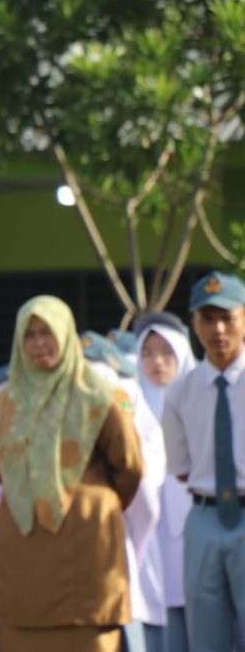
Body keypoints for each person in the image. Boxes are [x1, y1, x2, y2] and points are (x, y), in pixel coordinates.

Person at [0, 296, 143, 651]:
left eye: (48, 332)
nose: (39, 343)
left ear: (67, 334)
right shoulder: (4, 403)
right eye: (30, 335)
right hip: (19, 553)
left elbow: (129, 467)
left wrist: (86, 500)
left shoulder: (101, 397)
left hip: (86, 550)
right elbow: (0, 469)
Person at [160, 272, 245, 652]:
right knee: (207, 635)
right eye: (207, 319)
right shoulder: (181, 393)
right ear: (194, 324)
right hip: (205, 517)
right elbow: (181, 468)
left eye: (228, 317)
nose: (219, 329)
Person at [80, 332, 167, 652]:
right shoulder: (123, 393)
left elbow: (141, 484)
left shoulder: (121, 397)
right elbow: (144, 502)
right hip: (117, 545)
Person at [133, 311, 197, 652]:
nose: (156, 362)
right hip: (149, 537)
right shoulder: (129, 407)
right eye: (147, 352)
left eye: (166, 351)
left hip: (198, 528)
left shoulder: (201, 399)